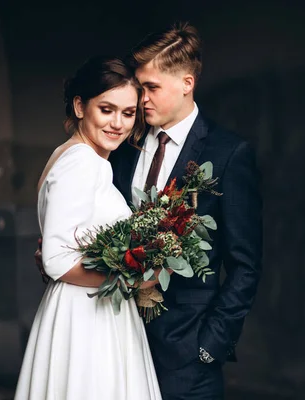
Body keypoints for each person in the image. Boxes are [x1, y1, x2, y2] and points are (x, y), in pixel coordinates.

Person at [112, 22, 264, 399]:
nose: (142, 98)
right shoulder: (123, 148)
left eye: (151, 88)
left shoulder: (227, 154)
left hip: (187, 354)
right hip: (118, 340)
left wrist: (210, 346)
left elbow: (245, 264)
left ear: (186, 83)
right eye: (139, 87)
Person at [16, 56, 162, 400]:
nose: (118, 123)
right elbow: (56, 259)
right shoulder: (83, 162)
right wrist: (134, 278)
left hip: (83, 307)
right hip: (87, 316)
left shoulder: (69, 155)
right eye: (106, 109)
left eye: (128, 113)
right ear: (80, 106)